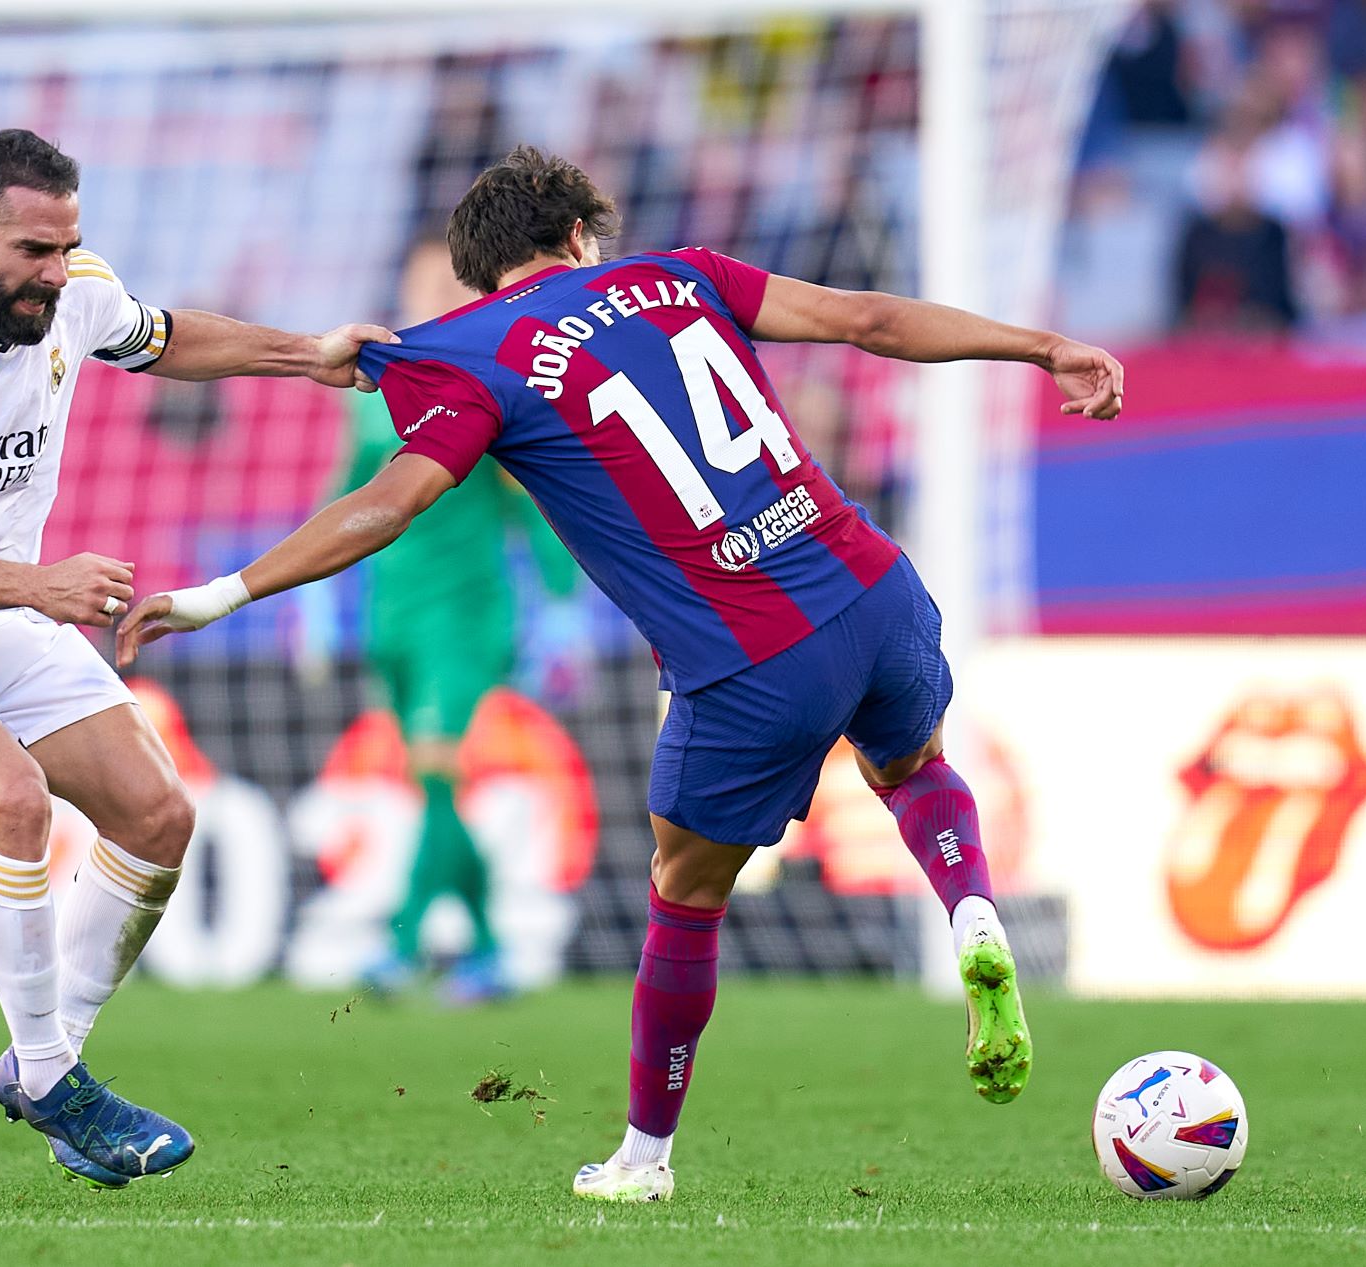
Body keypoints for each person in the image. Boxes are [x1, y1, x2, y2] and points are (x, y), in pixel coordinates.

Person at [113, 144, 1123, 1203]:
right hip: (872, 587)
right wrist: (1040, 344)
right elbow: (868, 323)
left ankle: (643, 1159)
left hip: (749, 657)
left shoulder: (468, 349)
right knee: (913, 765)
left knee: (684, 898)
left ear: (477, 270)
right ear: (581, 237)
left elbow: (388, 502)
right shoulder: (681, 274)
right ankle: (967, 907)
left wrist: (220, 593)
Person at [0, 128, 388, 1190]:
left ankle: (40, 1062)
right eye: (33, 251)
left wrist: (309, 355)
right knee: (13, 802)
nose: (56, 273)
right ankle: (56, 1078)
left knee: (159, 815)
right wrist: (39, 584)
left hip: (9, 607)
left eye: (69, 246)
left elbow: (159, 339)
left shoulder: (74, 293)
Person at [331, 239, 583, 1003]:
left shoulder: (487, 383)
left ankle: (407, 940)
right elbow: (347, 498)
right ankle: (488, 948)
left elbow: (530, 500)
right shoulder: (373, 393)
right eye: (420, 279)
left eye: (447, 280)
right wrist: (312, 599)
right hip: (393, 618)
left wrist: (564, 601)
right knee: (430, 781)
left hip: (467, 616)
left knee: (442, 763)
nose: (432, 291)